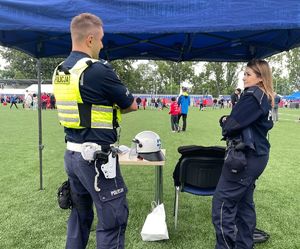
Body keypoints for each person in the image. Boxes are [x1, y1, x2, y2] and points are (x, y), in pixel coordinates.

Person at [52, 13, 137, 249]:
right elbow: (131, 104)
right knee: (113, 220)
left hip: (72, 154)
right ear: (90, 39)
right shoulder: (97, 70)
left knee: (79, 217)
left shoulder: (60, 71)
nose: (102, 44)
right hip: (96, 159)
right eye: (100, 40)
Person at [212, 59, 274, 249]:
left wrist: (225, 121)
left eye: (248, 74)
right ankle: (244, 245)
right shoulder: (264, 95)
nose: (243, 77)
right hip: (257, 155)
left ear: (260, 78)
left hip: (246, 157)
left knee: (222, 204)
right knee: (245, 204)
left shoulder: (253, 95)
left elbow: (230, 126)